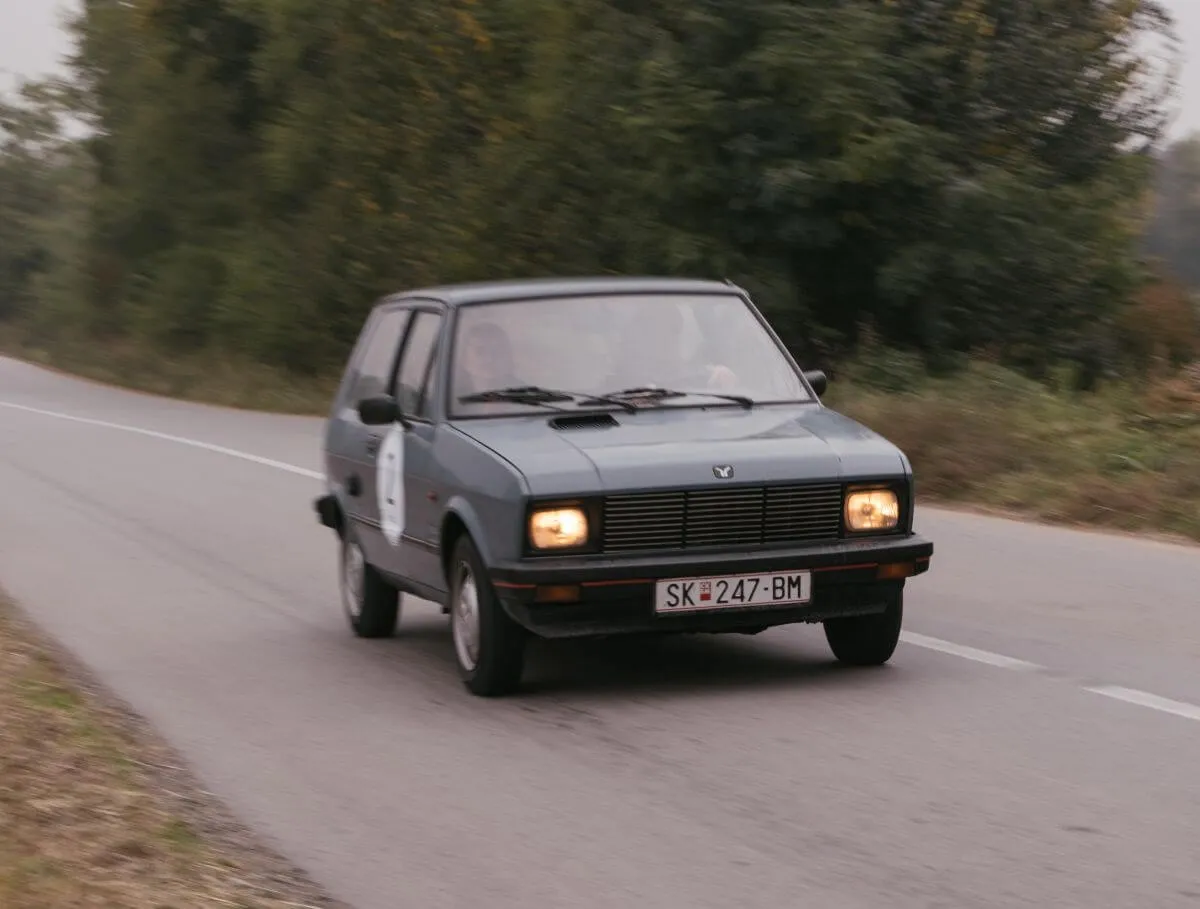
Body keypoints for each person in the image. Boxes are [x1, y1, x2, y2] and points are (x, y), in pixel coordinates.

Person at [454, 320, 523, 397]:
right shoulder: (449, 394)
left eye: (497, 350)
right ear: (464, 359)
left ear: (508, 358)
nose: (489, 359)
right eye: (480, 351)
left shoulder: (525, 395)